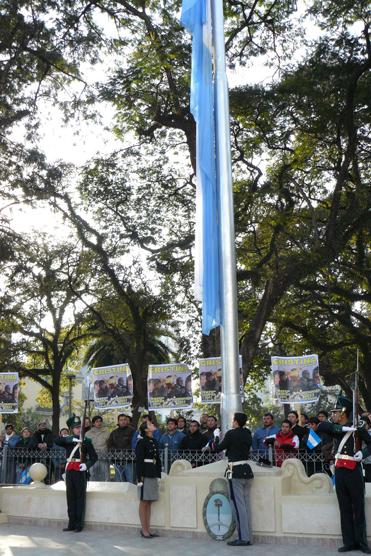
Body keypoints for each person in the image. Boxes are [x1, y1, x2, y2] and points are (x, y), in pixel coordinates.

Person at [318, 397, 371, 553]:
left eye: (336, 412)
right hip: (340, 470)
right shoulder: (334, 427)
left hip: (354, 470)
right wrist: (343, 429)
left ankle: (361, 542)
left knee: (358, 507)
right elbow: (321, 425)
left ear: (343, 413)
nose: (333, 415)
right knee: (344, 507)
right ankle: (348, 542)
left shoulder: (358, 428)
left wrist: (363, 452)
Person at [214, 412, 254, 547]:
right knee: (246, 506)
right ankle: (248, 536)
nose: (232, 421)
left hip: (235, 471)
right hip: (246, 470)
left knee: (238, 506)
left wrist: (215, 438)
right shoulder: (248, 433)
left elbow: (217, 448)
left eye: (233, 420)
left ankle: (243, 538)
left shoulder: (231, 433)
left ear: (236, 421)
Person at [55, 414, 98, 532]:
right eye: (76, 427)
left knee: (80, 497)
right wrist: (70, 438)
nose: (79, 429)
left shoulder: (87, 441)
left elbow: (94, 457)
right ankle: (71, 523)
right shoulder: (68, 440)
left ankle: (79, 524)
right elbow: (56, 440)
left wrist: (86, 465)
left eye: (80, 427)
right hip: (69, 470)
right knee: (70, 497)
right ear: (71, 429)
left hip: (80, 469)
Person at [135, 420, 162, 539]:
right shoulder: (141, 442)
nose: (153, 425)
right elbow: (139, 461)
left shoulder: (154, 441)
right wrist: (139, 478)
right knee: (144, 501)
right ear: (146, 429)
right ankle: (144, 530)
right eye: (150, 425)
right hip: (145, 473)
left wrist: (158, 474)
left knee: (149, 501)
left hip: (152, 473)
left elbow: (157, 459)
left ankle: (148, 528)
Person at [107, 413, 134, 482]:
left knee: (130, 481)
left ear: (127, 421)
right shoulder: (114, 432)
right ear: (118, 421)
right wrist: (117, 453)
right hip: (116, 460)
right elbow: (109, 445)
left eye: (125, 419)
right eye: (121, 420)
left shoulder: (132, 431)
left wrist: (124, 452)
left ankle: (131, 493)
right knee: (118, 481)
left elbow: (133, 444)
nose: (123, 421)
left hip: (129, 460)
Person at [85, 415, 110, 481]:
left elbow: (109, 444)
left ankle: (105, 490)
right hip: (92, 458)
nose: (99, 423)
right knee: (92, 476)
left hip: (104, 457)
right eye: (97, 421)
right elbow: (85, 445)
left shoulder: (107, 432)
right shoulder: (88, 433)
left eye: (100, 421)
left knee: (105, 476)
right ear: (93, 423)